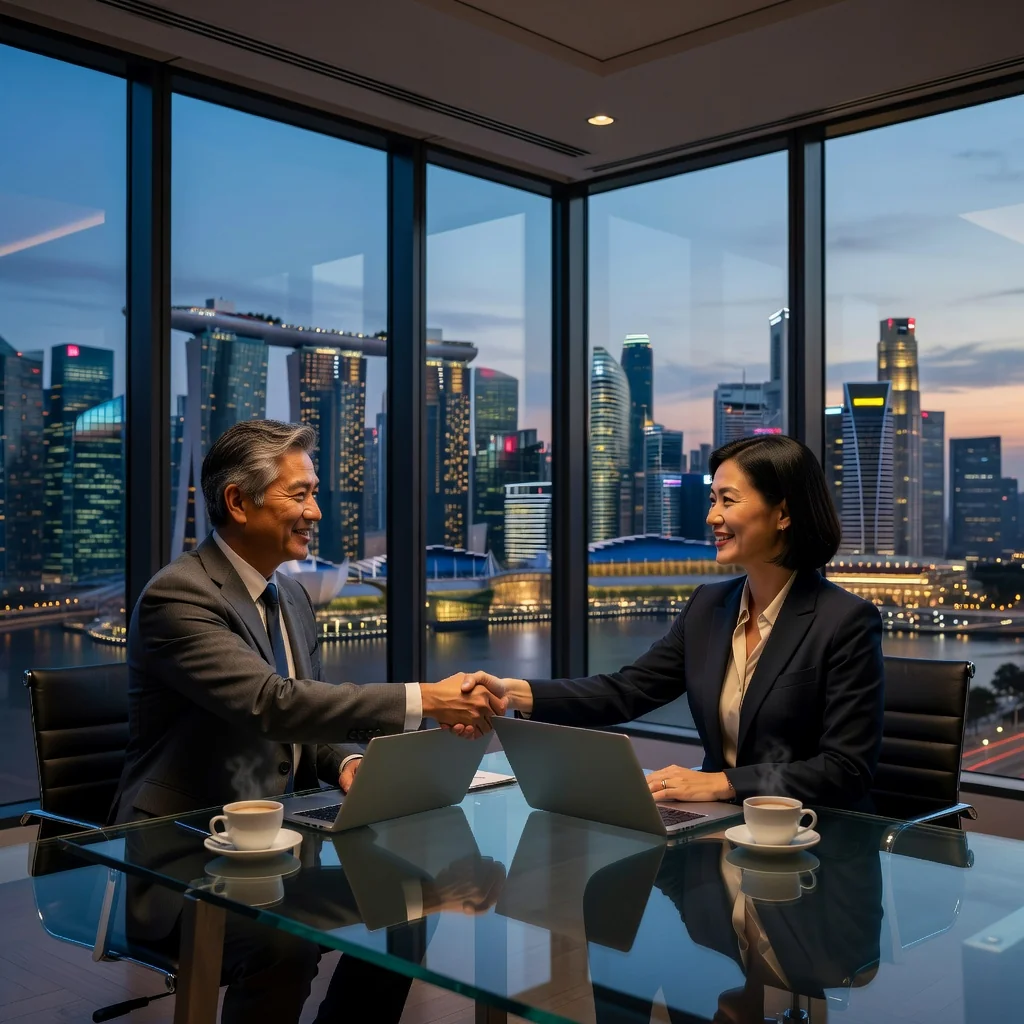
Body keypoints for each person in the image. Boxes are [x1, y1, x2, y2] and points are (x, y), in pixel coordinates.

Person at [112, 419, 506, 1023]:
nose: (316, 511)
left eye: (314, 493)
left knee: (414, 894)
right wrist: (425, 698)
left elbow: (306, 727)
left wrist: (346, 762)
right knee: (283, 937)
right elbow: (274, 704)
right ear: (237, 502)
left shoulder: (291, 597)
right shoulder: (179, 597)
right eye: (299, 495)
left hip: (281, 850)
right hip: (185, 859)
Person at [459, 435, 885, 811]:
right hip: (720, 826)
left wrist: (721, 783)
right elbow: (626, 691)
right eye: (712, 499)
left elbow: (845, 770)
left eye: (728, 500)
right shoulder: (708, 606)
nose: (712, 517)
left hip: (815, 839)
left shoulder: (844, 622)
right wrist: (512, 691)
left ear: (783, 514)